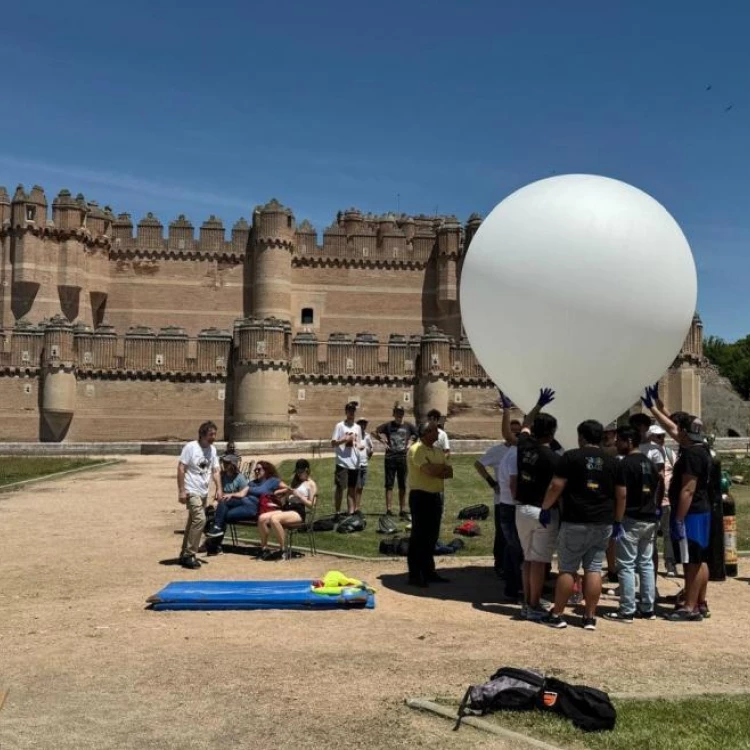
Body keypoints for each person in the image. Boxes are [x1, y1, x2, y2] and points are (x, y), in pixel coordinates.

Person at [540, 419, 619, 631]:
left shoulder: (571, 457)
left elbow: (556, 485)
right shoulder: (611, 461)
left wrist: (545, 507)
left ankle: (557, 613)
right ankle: (590, 616)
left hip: (575, 519)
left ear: (581, 437)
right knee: (593, 568)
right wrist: (618, 520)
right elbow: (621, 494)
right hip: (603, 521)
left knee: (567, 568)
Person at [642, 385, 712, 621]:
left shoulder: (691, 455)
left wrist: (679, 518)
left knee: (690, 561)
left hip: (690, 513)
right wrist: (654, 406)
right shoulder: (701, 448)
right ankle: (700, 602)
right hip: (703, 511)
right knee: (699, 559)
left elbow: (688, 489)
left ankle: (689, 607)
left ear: (685, 433)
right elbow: (672, 426)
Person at [602, 426, 659, 623]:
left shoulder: (625, 464)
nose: (616, 444)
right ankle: (648, 607)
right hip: (650, 517)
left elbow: (622, 494)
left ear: (629, 442)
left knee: (625, 565)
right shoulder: (649, 463)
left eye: (619, 441)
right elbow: (659, 487)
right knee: (645, 563)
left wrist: (617, 520)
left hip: (631, 517)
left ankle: (627, 609)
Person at [515, 411, 561, 620]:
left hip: (522, 509)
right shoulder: (553, 458)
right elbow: (555, 486)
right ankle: (533, 604)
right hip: (541, 510)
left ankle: (527, 601)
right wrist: (547, 507)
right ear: (552, 434)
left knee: (528, 558)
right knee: (539, 561)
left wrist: (538, 405)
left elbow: (524, 425)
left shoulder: (523, 446)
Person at [406, 421, 453, 587]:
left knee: (432, 536)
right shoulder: (415, 450)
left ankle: (428, 571)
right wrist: (438, 469)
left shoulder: (438, 451)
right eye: (435, 430)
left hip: (435, 496)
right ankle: (414, 574)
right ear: (426, 433)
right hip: (420, 497)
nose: (438, 433)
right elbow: (429, 471)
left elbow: (450, 472)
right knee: (419, 536)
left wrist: (437, 468)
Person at [475, 417, 521, 579]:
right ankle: (500, 564)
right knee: (502, 535)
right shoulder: (497, 451)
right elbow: (478, 464)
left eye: (518, 431)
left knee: (517, 536)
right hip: (501, 500)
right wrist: (491, 482)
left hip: (519, 502)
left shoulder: (522, 450)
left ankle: (515, 566)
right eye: (512, 430)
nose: (515, 433)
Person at [177, 421, 222, 570]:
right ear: (202, 434)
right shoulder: (191, 447)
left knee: (192, 522)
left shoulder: (213, 450)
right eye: (211, 434)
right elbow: (181, 468)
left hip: (203, 492)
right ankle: (190, 554)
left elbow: (215, 470)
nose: (213, 437)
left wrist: (219, 489)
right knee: (200, 520)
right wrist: (182, 490)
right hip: (191, 490)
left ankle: (184, 553)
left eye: (215, 434)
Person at [257, 459, 317, 561]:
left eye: (300, 472)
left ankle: (283, 550)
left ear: (307, 470)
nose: (298, 474)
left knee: (274, 519)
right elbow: (283, 493)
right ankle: (264, 549)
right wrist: (286, 492)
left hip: (298, 511)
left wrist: (300, 497)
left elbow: (312, 505)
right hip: (287, 508)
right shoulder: (295, 481)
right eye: (297, 472)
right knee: (262, 518)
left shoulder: (311, 484)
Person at [376, 404, 418, 519]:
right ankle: (389, 509)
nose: (399, 414)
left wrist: (410, 443)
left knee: (402, 485)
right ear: (394, 414)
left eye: (401, 412)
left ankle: (402, 509)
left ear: (403, 414)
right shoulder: (388, 425)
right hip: (390, 458)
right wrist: (383, 442)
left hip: (403, 458)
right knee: (389, 485)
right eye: (397, 412)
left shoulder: (408, 426)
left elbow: (417, 434)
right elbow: (375, 431)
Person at [204, 453, 252, 549]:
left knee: (222, 512)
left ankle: (213, 542)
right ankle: (213, 542)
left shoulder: (240, 477)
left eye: (227, 463)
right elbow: (219, 492)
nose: (224, 464)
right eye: (224, 462)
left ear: (232, 464)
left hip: (236, 502)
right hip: (223, 502)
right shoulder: (222, 476)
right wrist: (215, 501)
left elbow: (243, 494)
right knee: (209, 512)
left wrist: (231, 495)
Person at [647, 424, 677, 576]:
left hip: (667, 501)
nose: (661, 439)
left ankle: (670, 564)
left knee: (668, 534)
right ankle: (650, 566)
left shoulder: (670, 453)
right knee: (650, 537)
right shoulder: (647, 454)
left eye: (663, 436)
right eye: (658, 436)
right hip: (650, 501)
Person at [331, 401, 362, 517]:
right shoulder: (339, 426)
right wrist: (344, 439)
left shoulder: (358, 427)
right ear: (346, 412)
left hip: (354, 463)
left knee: (352, 489)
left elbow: (358, 444)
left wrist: (363, 448)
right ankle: (338, 512)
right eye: (349, 410)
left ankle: (351, 512)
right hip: (342, 462)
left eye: (353, 410)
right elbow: (333, 443)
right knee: (340, 488)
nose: (351, 412)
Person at [355, 418, 374, 513]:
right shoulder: (354, 435)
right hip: (356, 465)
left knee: (361, 487)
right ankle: (354, 508)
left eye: (364, 424)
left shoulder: (367, 436)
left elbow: (371, 448)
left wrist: (369, 453)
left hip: (364, 464)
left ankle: (357, 507)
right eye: (361, 424)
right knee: (356, 487)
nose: (363, 426)